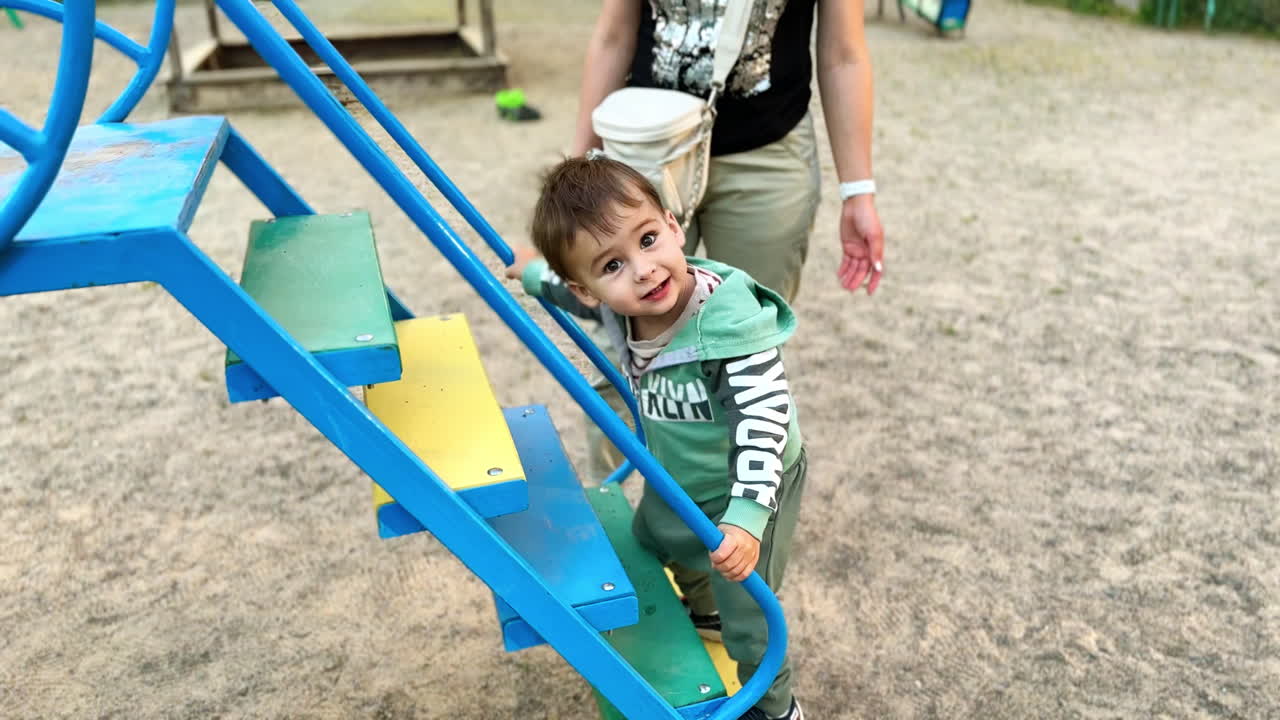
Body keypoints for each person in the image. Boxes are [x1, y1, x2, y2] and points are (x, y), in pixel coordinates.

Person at [505, 156, 808, 720]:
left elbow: (764, 418)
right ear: (589, 287)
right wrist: (530, 275)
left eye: (648, 239)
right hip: (686, 475)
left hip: (753, 481)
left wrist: (746, 518)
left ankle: (779, 709)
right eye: (613, 264)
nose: (643, 269)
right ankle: (704, 611)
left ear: (673, 225)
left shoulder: (726, 325)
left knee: (750, 615)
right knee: (656, 536)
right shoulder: (620, 310)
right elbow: (567, 292)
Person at [572, 0, 885, 482]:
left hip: (768, 157)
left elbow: (843, 52)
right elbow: (614, 35)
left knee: (738, 350)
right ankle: (607, 511)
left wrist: (858, 191)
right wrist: (580, 173)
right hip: (649, 149)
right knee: (618, 348)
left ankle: (724, 526)